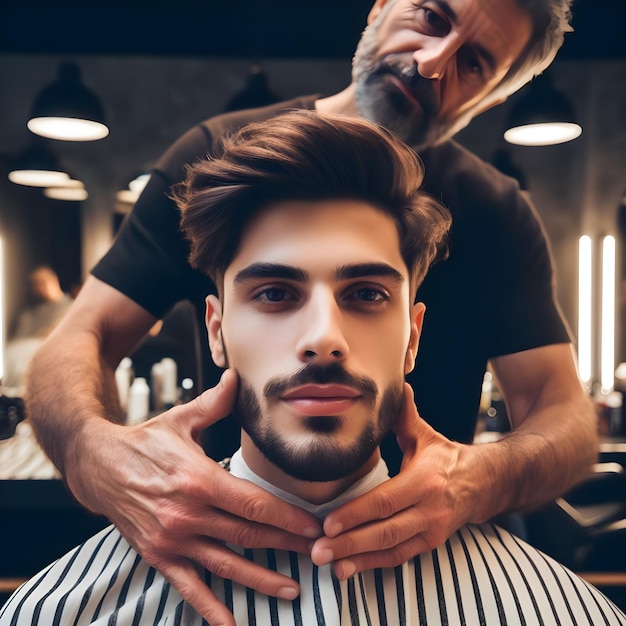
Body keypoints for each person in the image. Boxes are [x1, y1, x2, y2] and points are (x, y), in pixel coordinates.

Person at [24, 0, 599, 623]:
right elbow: (82, 336)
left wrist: (479, 480)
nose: (433, 64)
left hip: (433, 564)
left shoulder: (497, 214)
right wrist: (93, 451)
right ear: (381, 7)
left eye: (475, 62)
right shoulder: (218, 157)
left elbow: (562, 412)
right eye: (431, 18)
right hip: (219, 549)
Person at [2, 266, 73, 390]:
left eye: (43, 282)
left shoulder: (71, 308)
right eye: (35, 285)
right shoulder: (29, 315)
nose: (40, 288)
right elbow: (17, 341)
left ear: (54, 280)